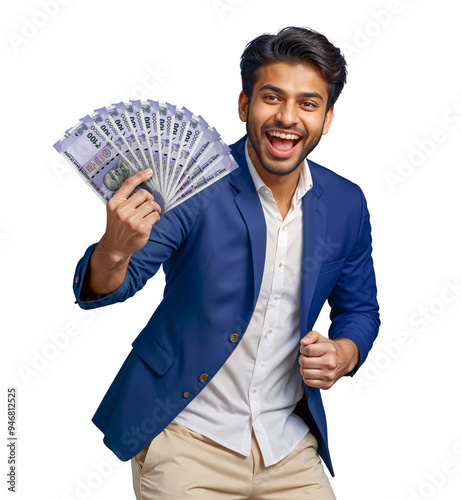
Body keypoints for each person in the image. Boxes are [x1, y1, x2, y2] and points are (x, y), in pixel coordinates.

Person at [73, 26, 380, 499]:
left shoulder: (346, 203)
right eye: (271, 97)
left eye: (308, 103)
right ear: (244, 105)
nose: (287, 117)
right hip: (186, 438)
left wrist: (345, 353)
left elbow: (360, 311)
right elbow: (114, 284)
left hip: (287, 446)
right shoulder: (196, 184)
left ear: (327, 117)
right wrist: (114, 247)